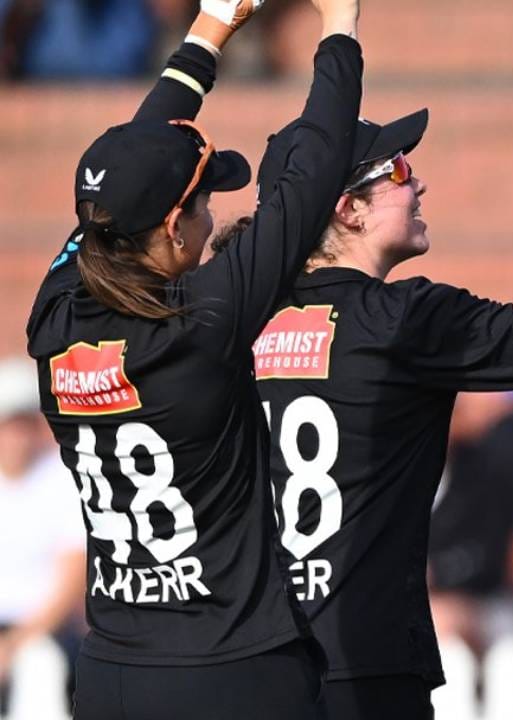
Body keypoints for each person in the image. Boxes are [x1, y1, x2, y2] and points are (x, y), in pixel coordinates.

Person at [248, 91, 513, 718]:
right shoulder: (404, 319)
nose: (418, 183)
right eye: (398, 170)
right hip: (365, 661)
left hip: (249, 662)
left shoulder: (232, 321)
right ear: (348, 209)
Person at [23, 0, 364, 716]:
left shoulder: (53, 316)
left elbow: (124, 177)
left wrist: (209, 27)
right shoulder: (202, 321)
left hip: (111, 675)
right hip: (232, 672)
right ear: (175, 226)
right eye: (206, 204)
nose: (213, 222)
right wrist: (340, 26)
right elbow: (314, 179)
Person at [0, 357, 84, 714]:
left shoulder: (61, 480)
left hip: (44, 631)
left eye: (22, 425)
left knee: (39, 670)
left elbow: (72, 573)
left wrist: (15, 643)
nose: (15, 438)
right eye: (8, 425)